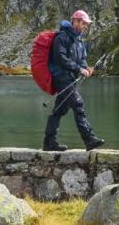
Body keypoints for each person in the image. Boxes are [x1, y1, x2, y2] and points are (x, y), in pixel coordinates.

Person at [43, 10, 105, 151]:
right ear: (75, 21)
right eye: (83, 23)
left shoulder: (79, 40)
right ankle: (89, 139)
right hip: (61, 77)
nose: (85, 26)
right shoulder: (61, 37)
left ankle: (49, 142)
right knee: (78, 105)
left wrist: (86, 69)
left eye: (86, 24)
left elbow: (82, 59)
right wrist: (78, 69)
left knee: (59, 110)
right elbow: (60, 58)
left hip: (70, 79)